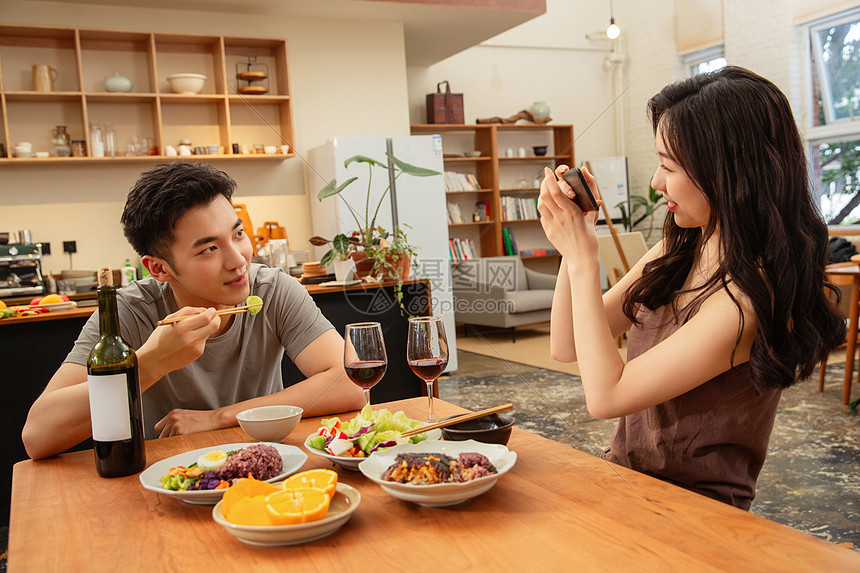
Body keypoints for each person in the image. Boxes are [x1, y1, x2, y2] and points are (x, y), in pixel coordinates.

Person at [538, 66, 845, 509]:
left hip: (695, 514)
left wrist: (586, 258)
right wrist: (573, 249)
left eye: (667, 165)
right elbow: (566, 345)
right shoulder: (677, 249)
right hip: (627, 485)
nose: (656, 183)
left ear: (725, 172)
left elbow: (607, 396)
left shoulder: (748, 298)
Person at [22, 162, 364, 459]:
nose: (238, 260)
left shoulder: (271, 290)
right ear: (158, 269)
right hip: (171, 478)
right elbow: (38, 437)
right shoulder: (131, 311)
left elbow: (351, 383)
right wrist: (150, 363)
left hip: (266, 467)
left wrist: (218, 418)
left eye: (239, 234)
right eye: (210, 249)